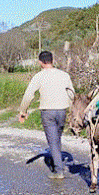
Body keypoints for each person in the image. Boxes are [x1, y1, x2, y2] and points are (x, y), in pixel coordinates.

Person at [18, 51, 75, 179]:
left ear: (40, 62)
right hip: (62, 111)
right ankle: (58, 161)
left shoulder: (39, 76)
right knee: (57, 138)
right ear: (52, 60)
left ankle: (58, 171)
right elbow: (72, 93)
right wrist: (71, 110)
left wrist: (23, 111)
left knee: (53, 141)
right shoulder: (64, 75)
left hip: (48, 112)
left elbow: (28, 95)